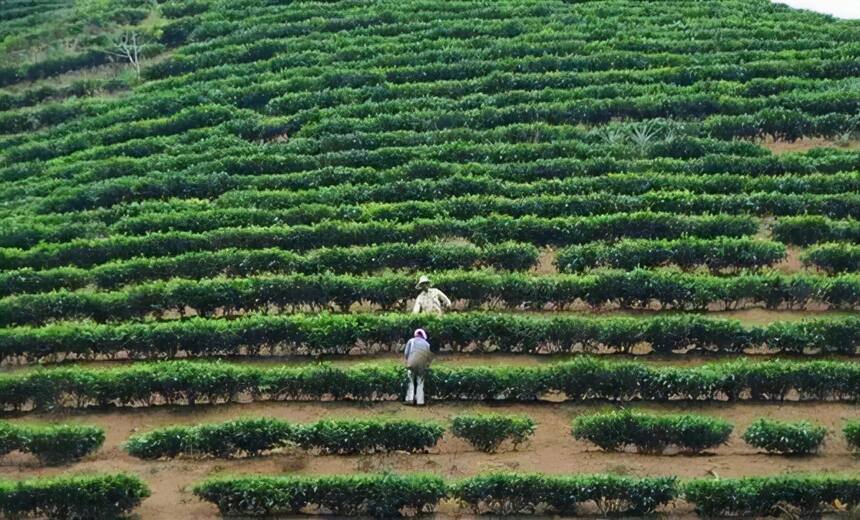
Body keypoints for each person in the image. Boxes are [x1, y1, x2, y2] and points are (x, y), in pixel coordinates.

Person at [404, 328, 433, 406]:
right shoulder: (427, 344)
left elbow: (406, 353)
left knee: (410, 381)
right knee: (420, 382)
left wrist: (409, 360)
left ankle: (410, 399)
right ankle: (420, 401)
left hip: (412, 364)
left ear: (416, 334)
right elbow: (429, 356)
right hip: (422, 365)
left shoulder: (411, 341)